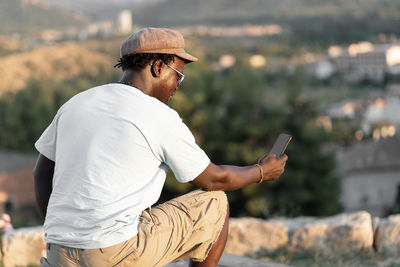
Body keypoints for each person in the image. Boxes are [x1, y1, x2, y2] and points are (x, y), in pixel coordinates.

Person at [33, 27, 288, 267]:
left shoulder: (77, 103)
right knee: (215, 204)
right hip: (114, 254)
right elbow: (215, 179)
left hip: (58, 252)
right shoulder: (157, 114)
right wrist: (262, 171)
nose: (177, 85)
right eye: (178, 75)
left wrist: (68, 234)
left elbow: (41, 174)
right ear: (158, 67)